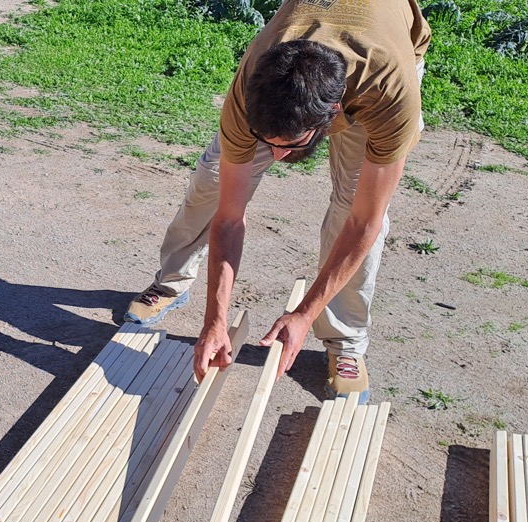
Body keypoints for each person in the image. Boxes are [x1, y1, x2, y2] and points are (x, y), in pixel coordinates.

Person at [124, 0, 431, 403]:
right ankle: (172, 282)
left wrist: (303, 313)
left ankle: (345, 342)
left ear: (332, 116)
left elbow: (364, 224)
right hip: (296, 74)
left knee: (352, 206)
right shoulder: (254, 79)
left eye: (290, 145)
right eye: (266, 140)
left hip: (382, 56)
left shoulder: (389, 91)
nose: (278, 155)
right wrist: (214, 321)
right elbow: (230, 219)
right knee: (213, 182)